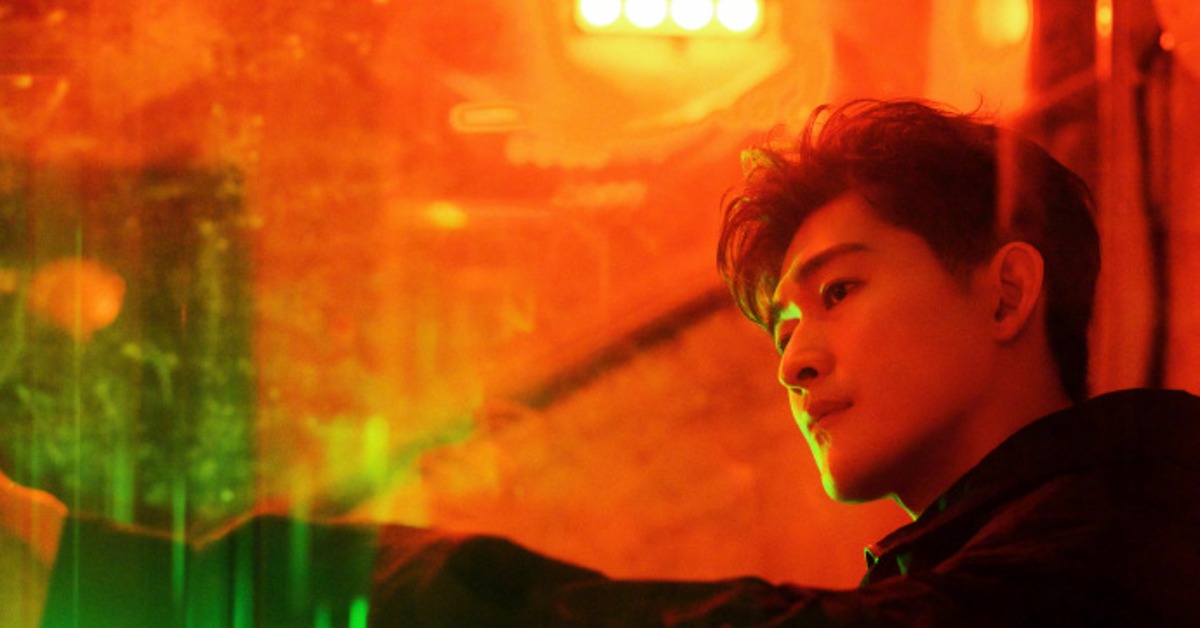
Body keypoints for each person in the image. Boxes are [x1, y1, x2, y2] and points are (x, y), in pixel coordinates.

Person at [366, 99, 1200, 626]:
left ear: (1007, 294)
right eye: (782, 329)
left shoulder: (1132, 542)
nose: (792, 364)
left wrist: (405, 579)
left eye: (837, 291)